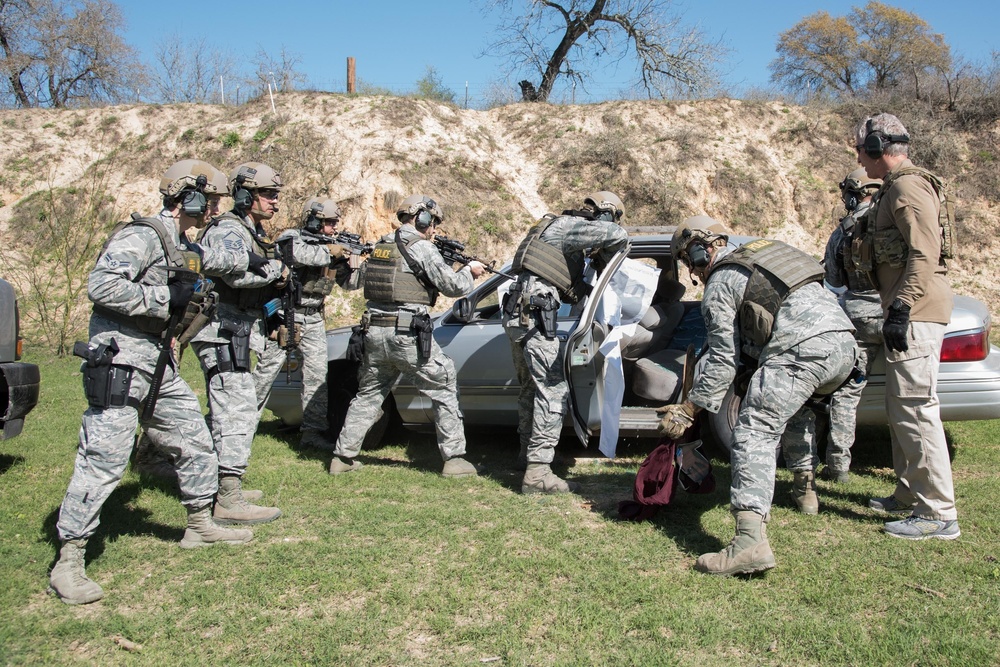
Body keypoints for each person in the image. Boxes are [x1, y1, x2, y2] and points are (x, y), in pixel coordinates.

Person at [49, 160, 255, 605]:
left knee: (195, 439)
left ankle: (199, 524)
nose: (215, 210)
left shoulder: (180, 243)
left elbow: (210, 259)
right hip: (123, 363)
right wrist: (164, 297)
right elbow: (101, 286)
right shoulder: (142, 236)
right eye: (212, 201)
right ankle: (69, 558)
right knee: (103, 459)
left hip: (159, 365)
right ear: (191, 198)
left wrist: (252, 259)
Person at [659, 216, 857, 575]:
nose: (694, 271)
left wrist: (689, 408)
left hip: (801, 348)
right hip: (845, 345)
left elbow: (721, 361)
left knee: (754, 432)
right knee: (796, 412)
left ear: (699, 254)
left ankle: (749, 544)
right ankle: (805, 491)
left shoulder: (720, 283)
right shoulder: (765, 254)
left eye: (691, 262)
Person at [851, 112, 960, 540]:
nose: (860, 159)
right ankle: (910, 493)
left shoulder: (909, 187)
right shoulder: (895, 188)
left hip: (915, 311)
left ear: (878, 148)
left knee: (916, 409)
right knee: (902, 409)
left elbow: (924, 253)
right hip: (907, 308)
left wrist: (902, 308)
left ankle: (938, 513)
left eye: (862, 150)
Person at [327, 194, 485, 477]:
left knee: (368, 395)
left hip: (373, 333)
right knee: (444, 384)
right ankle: (455, 459)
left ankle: (342, 456)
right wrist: (470, 272)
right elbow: (452, 286)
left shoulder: (381, 246)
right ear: (420, 217)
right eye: (433, 221)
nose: (435, 228)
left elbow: (353, 282)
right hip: (406, 334)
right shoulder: (422, 248)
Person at [502, 191, 630, 494]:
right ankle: (537, 474)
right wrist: (606, 244)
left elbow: (575, 288)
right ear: (604, 212)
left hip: (519, 316)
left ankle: (527, 457)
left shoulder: (552, 227)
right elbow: (617, 234)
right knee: (553, 390)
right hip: (534, 317)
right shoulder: (569, 224)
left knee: (531, 390)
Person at [190, 162, 288, 525]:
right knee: (237, 409)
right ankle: (228, 499)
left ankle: (225, 485)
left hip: (239, 328)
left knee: (233, 407)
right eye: (268, 194)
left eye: (277, 195)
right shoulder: (230, 229)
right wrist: (274, 271)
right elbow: (229, 273)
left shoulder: (249, 230)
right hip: (223, 330)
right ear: (247, 195)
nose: (275, 202)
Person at [256, 197, 360, 450]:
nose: (334, 228)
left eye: (336, 223)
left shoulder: (329, 247)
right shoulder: (292, 238)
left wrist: (360, 266)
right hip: (287, 315)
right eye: (330, 222)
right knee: (265, 374)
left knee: (317, 377)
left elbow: (349, 284)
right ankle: (240, 424)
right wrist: (329, 251)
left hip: (313, 317)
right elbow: (295, 255)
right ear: (314, 220)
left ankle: (312, 432)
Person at [821, 168, 884, 483]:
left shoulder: (844, 230)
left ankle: (838, 467)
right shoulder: (896, 221)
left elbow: (832, 280)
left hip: (859, 316)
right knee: (908, 397)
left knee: (847, 393)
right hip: (899, 314)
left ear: (853, 193)